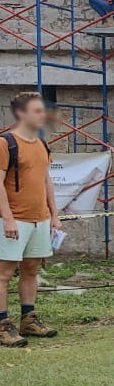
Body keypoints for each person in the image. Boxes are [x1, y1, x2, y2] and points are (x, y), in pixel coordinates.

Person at [0, 92, 62, 347]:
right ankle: (3, 325)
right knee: (3, 274)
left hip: (40, 219)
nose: (43, 116)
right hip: (15, 219)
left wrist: (54, 215)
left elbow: (46, 181)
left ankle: (28, 318)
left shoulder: (40, 144)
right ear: (22, 114)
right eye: (37, 110)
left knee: (31, 270)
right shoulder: (5, 143)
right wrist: (8, 218)